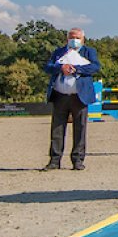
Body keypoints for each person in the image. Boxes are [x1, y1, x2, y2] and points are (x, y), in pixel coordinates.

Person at [42, 27, 99, 171]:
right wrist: (60, 67)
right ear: (67, 38)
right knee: (57, 129)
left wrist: (77, 69)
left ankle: (78, 160)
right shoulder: (59, 52)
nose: (74, 40)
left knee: (80, 128)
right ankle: (54, 160)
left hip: (80, 97)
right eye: (72, 37)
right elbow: (47, 67)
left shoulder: (89, 52)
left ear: (83, 39)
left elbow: (95, 67)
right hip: (60, 95)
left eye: (78, 37)